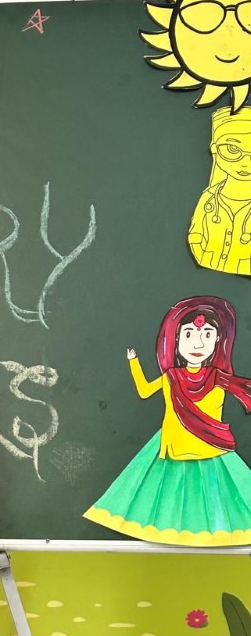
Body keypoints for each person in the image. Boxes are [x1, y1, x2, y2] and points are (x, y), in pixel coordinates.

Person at [84, 295, 251, 546]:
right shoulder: (171, 376)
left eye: (207, 335)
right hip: (173, 447)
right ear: (176, 339)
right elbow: (144, 391)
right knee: (160, 505)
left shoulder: (219, 377)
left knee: (222, 507)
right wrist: (133, 363)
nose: (197, 343)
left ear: (218, 340)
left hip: (211, 451)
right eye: (189, 334)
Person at [188, 107, 251, 276]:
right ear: (215, 149)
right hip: (205, 269)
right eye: (232, 149)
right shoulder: (209, 197)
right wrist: (202, 254)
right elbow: (196, 233)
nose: (246, 162)